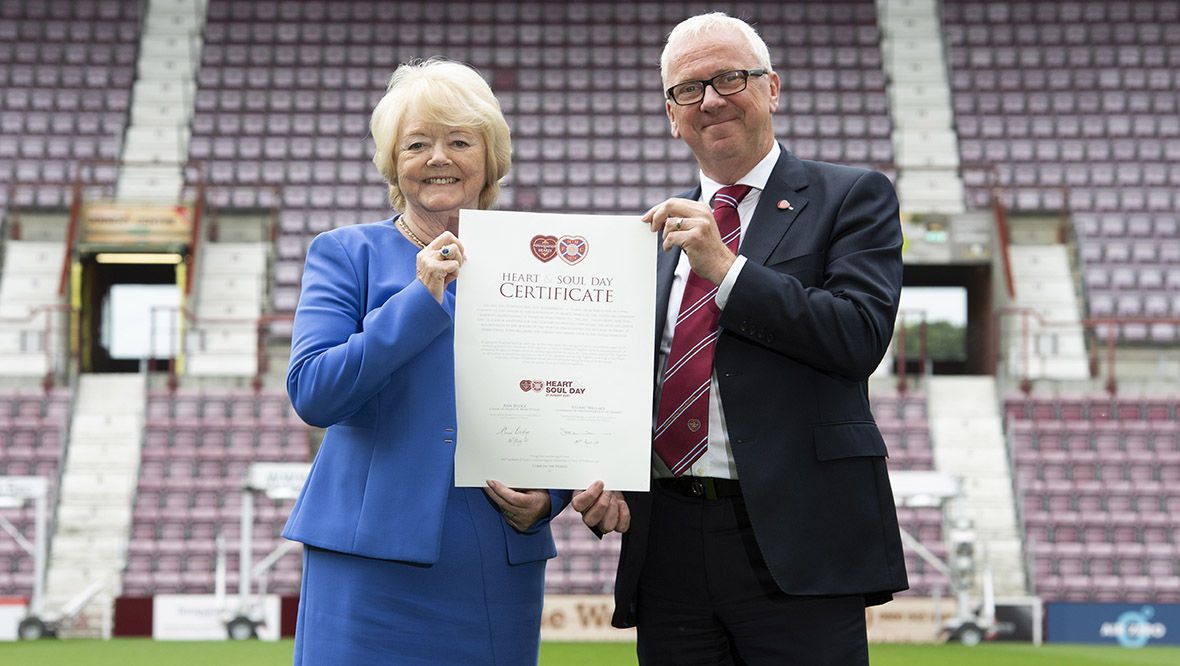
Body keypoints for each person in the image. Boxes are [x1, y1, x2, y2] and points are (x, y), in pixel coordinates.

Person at [573, 12, 909, 665]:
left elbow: (859, 336)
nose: (712, 99)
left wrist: (726, 269)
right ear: (672, 115)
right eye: (689, 90)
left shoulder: (851, 196)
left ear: (772, 88)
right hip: (667, 539)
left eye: (731, 77)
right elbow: (624, 379)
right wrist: (604, 470)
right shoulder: (650, 233)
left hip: (799, 539)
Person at [283, 58, 569, 665]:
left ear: (490, 157)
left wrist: (555, 493)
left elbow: (575, 396)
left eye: (459, 141)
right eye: (417, 144)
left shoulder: (543, 266)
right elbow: (313, 392)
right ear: (394, 163)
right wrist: (419, 300)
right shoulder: (344, 253)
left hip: (493, 559)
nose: (438, 157)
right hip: (364, 559)